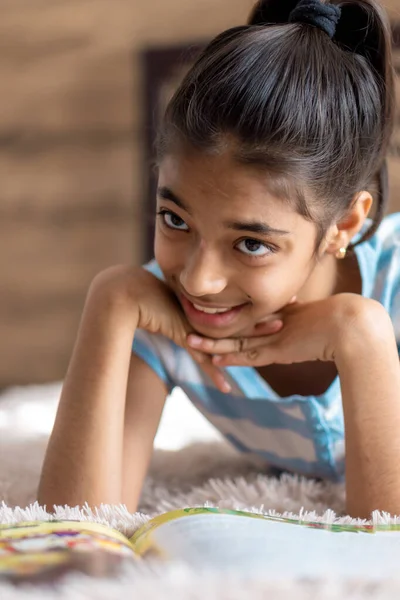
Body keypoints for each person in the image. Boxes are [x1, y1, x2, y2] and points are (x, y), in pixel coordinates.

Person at [38, 0, 400, 519]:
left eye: (252, 244)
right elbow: (74, 527)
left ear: (343, 225)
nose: (198, 280)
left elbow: (390, 546)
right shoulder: (158, 314)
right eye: (175, 220)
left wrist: (360, 335)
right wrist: (110, 301)